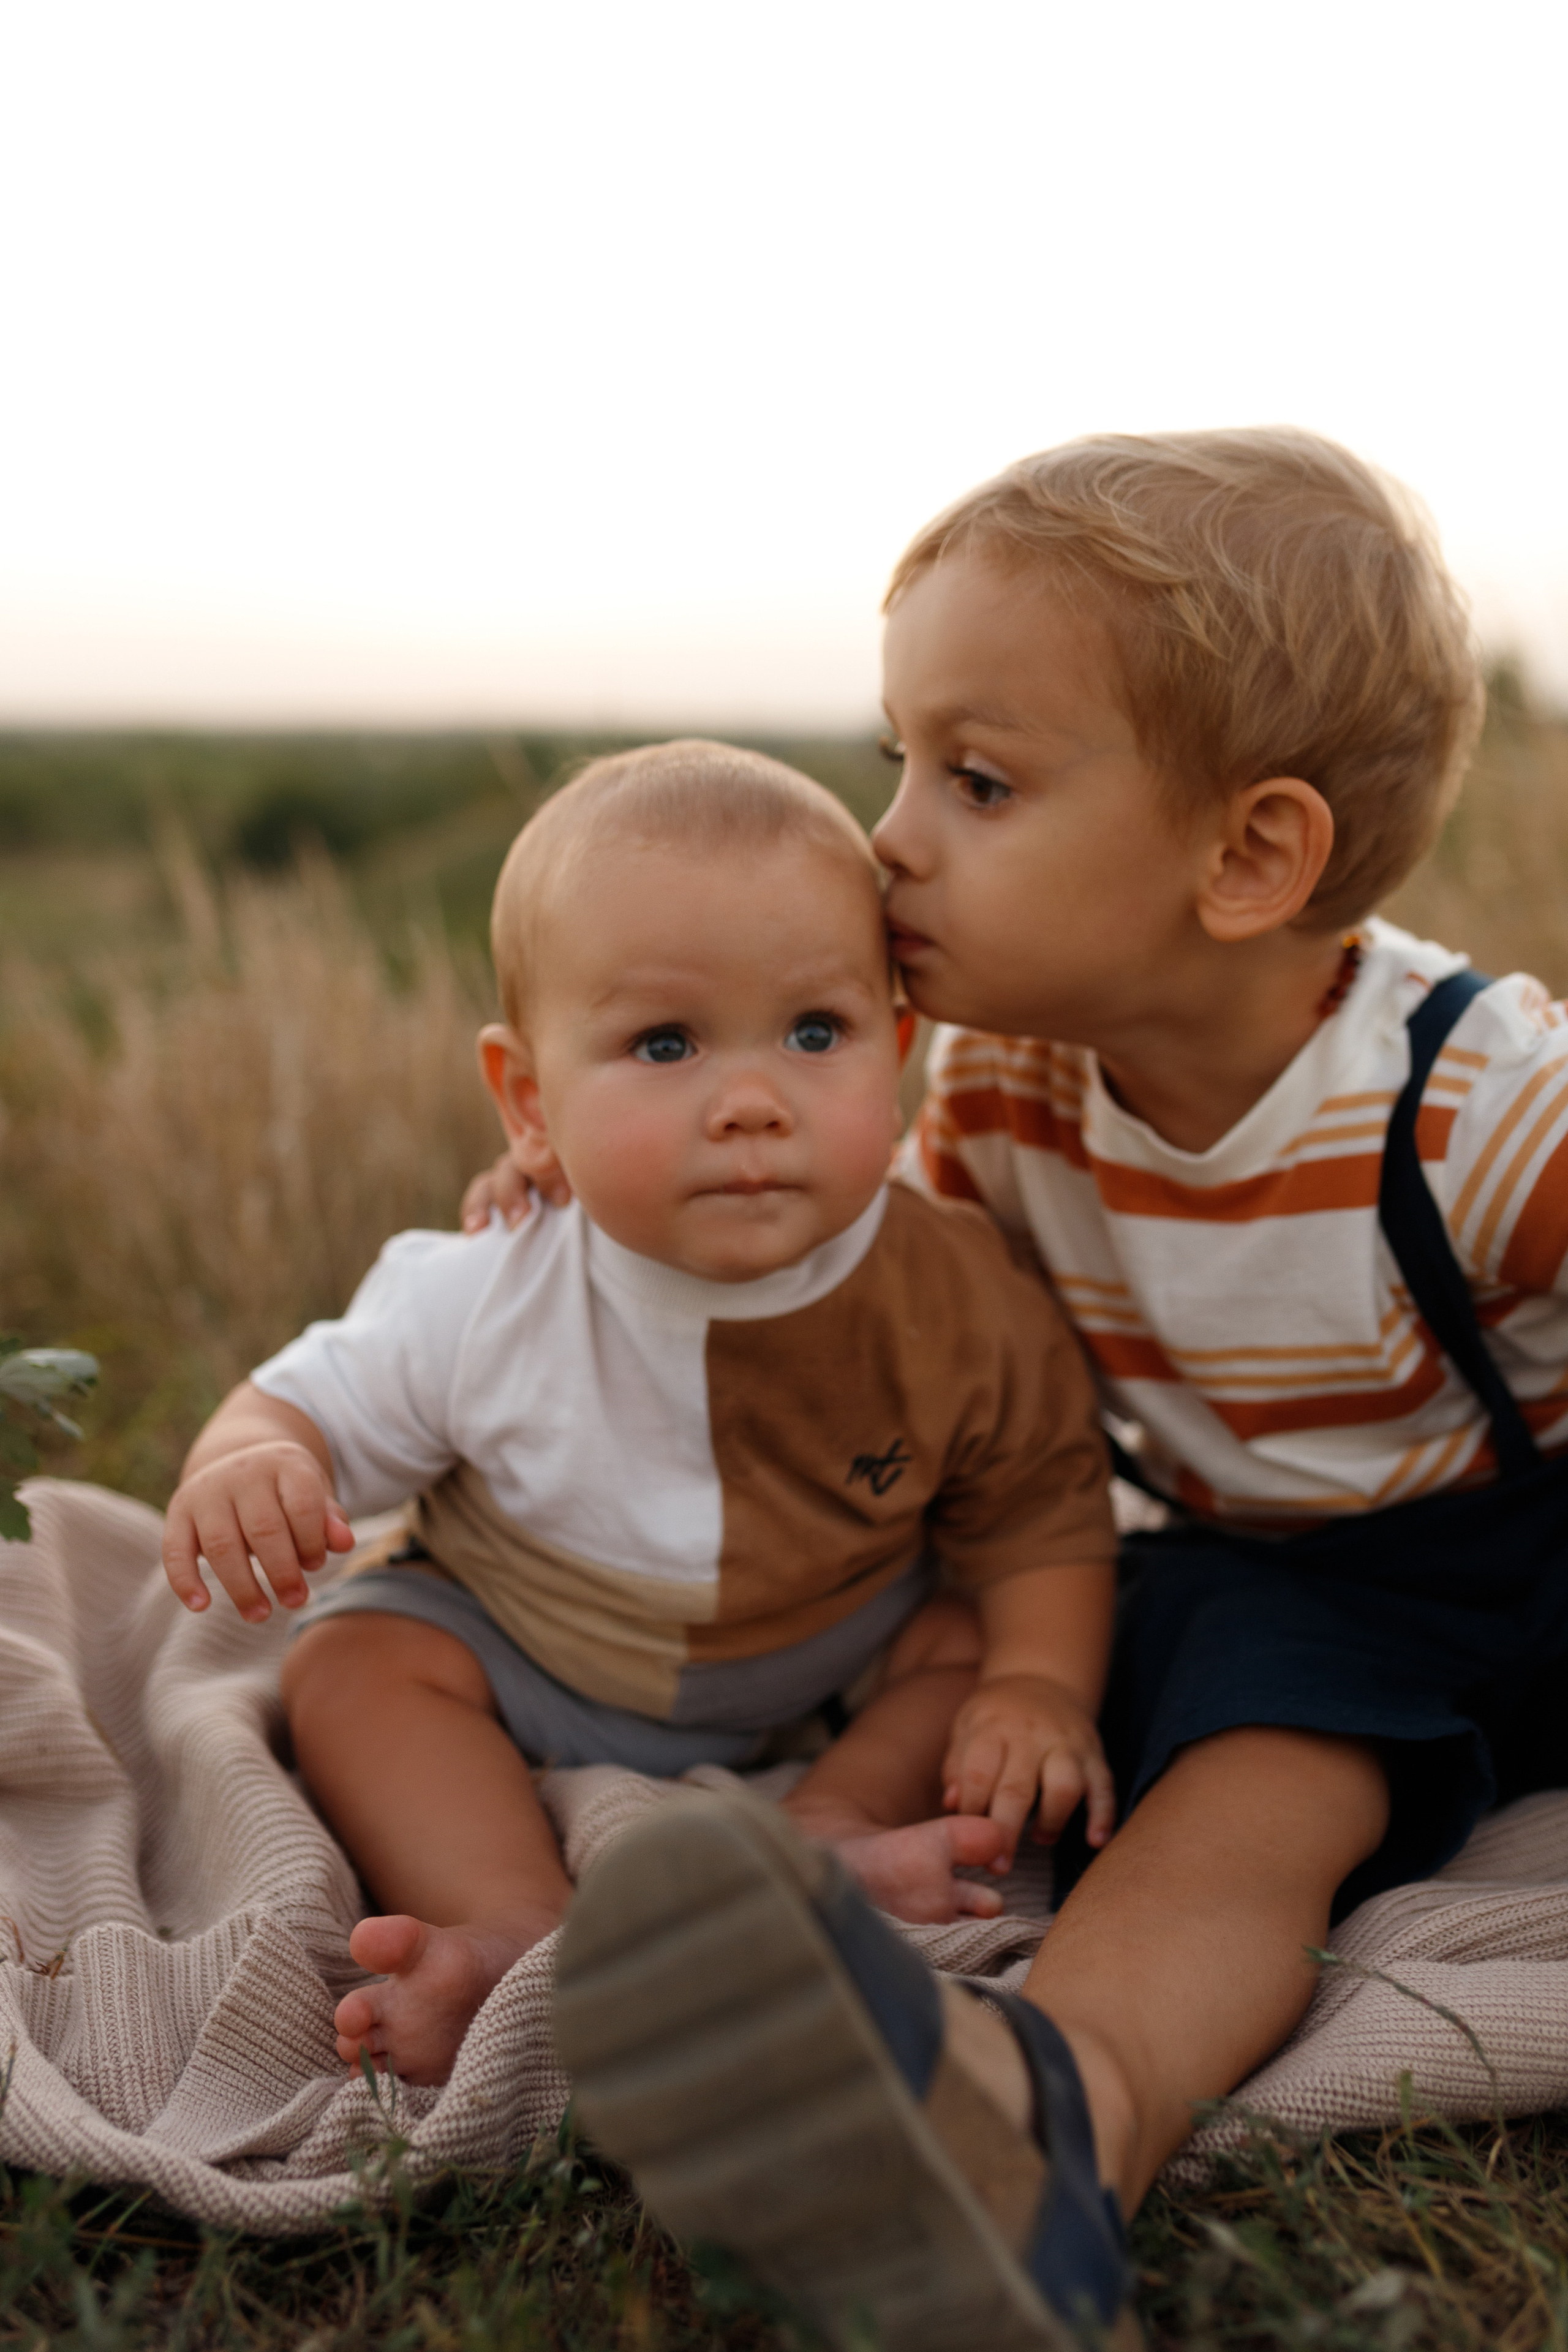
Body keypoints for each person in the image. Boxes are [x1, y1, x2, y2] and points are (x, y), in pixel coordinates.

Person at [535, 432, 1568, 2350]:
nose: (892, 839)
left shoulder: (1467, 1089)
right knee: (1236, 1805)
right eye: (896, 764)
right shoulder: (1001, 1101)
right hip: (1301, 1586)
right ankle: (1039, 2126)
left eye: (979, 781)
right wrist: (593, 1214)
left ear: (1248, 858)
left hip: (1545, 1516)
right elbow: (877, 1331)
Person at [161, 739, 1118, 2088]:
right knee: (354, 1664)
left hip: (827, 1652)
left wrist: (1034, 1683)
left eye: (813, 1032)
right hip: (536, 1645)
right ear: (528, 1104)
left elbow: (1041, 1512)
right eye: (663, 1044)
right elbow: (298, 1400)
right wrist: (251, 1459)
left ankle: (832, 1834)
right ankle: (511, 1926)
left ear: (895, 1056)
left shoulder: (956, 1293)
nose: (748, 1102)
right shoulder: (488, 1292)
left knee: (973, 1639)